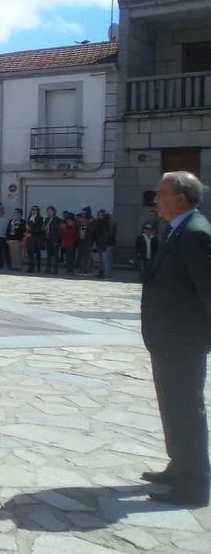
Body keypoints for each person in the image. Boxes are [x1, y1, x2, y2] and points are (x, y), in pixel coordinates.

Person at [141, 171, 211, 507]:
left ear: (179, 199)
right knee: (172, 406)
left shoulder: (196, 234)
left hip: (184, 341)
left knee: (187, 409)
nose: (155, 199)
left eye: (160, 193)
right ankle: (179, 464)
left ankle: (195, 486)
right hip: (167, 339)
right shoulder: (177, 230)